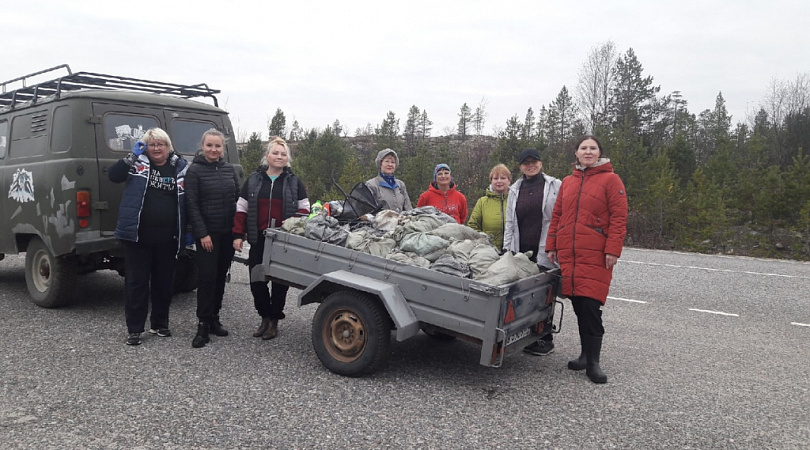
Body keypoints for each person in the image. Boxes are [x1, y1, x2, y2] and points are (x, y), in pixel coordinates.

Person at [546, 135, 628, 384]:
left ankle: (593, 362)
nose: (588, 151)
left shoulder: (611, 180)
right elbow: (557, 214)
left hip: (595, 253)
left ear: (600, 153)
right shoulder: (568, 182)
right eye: (584, 148)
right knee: (579, 304)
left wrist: (613, 249)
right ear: (576, 153)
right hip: (570, 253)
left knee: (591, 306)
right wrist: (552, 245)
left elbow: (619, 217)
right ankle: (584, 355)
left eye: (593, 148)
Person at [109, 128, 188, 346]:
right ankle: (135, 329)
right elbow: (113, 176)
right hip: (137, 236)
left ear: (168, 146)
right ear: (145, 146)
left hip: (167, 237)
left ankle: (159, 324)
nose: (156, 148)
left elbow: (189, 197)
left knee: (164, 283)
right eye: (151, 144)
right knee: (137, 283)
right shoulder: (136, 164)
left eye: (160, 144)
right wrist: (132, 155)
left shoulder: (180, 168)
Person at [233, 137, 310, 340]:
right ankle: (264, 316)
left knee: (279, 283)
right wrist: (238, 234)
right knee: (256, 280)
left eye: (283, 154)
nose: (279, 156)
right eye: (275, 153)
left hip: (282, 240)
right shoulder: (254, 180)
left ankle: (274, 320)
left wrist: (291, 223)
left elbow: (305, 209)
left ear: (287, 159)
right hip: (258, 238)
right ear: (267, 156)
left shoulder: (294, 182)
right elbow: (241, 208)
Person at [501, 149, 561, 357]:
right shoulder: (516, 189)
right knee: (524, 292)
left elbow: (560, 218)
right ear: (520, 167)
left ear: (541, 163)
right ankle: (526, 333)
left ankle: (546, 337)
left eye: (534, 161)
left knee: (544, 294)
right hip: (522, 250)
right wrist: (507, 249)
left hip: (546, 248)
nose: (530, 165)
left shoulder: (554, 186)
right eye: (526, 163)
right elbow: (510, 222)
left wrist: (556, 245)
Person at [185, 129, 240, 348]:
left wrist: (238, 232)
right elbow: (191, 205)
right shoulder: (195, 171)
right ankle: (202, 325)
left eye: (217, 146)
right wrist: (202, 234)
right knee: (207, 279)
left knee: (219, 278)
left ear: (222, 148)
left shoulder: (228, 170)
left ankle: (215, 318)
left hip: (227, 234)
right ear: (202, 145)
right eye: (209, 145)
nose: (213, 149)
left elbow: (238, 201)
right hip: (207, 235)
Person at [467, 164, 511, 249]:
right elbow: (472, 225)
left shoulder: (516, 200)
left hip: (512, 250)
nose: (499, 181)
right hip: (488, 251)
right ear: (491, 181)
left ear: (509, 180)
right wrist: (484, 242)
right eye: (495, 178)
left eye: (503, 178)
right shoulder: (482, 202)